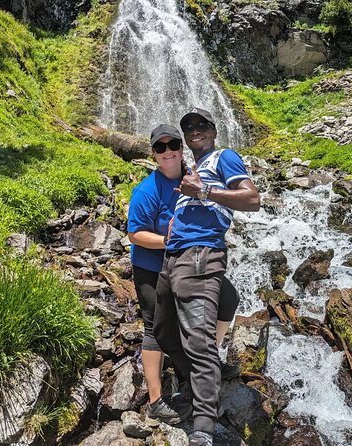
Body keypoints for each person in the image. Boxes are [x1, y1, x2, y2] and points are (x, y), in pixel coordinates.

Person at [153, 108, 260, 446]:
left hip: (200, 256)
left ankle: (203, 426)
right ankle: (202, 378)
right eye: (188, 127)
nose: (194, 130)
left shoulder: (224, 157)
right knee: (161, 331)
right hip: (174, 257)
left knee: (198, 341)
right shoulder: (192, 168)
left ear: (214, 130)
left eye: (201, 125)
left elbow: (252, 199)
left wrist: (202, 193)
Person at [127, 124, 241, 426]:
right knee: (154, 326)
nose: (168, 151)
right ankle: (156, 400)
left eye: (173, 144)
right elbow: (134, 234)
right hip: (152, 265)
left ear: (181, 148)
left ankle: (206, 360)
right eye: (160, 147)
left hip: (191, 260)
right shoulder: (147, 190)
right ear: (153, 154)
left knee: (228, 299)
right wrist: (168, 240)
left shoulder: (195, 175)